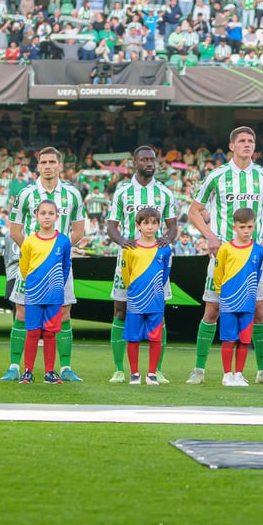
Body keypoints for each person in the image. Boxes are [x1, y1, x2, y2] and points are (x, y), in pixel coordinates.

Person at [187, 127, 263, 386]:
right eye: (241, 141)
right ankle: (199, 368)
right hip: (224, 257)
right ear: (231, 146)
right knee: (212, 310)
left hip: (253, 259)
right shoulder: (217, 176)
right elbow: (194, 210)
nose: (247, 144)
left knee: (259, 311)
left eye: (251, 140)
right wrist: (210, 236)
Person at [3, 147, 85, 382]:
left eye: (52, 162)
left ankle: (66, 368)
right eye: (43, 162)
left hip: (59, 267)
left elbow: (79, 229)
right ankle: (14, 367)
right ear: (37, 166)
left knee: (64, 314)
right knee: (21, 314)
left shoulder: (72, 195)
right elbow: (15, 230)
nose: (47, 166)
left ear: (60, 165)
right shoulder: (25, 194)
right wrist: (35, 250)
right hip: (31, 266)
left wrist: (58, 250)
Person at [107, 146, 178, 384]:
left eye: (152, 160)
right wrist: (123, 242)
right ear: (134, 162)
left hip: (155, 262)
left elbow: (172, 225)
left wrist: (167, 239)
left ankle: (155, 370)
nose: (149, 163)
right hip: (129, 260)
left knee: (158, 313)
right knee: (121, 310)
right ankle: (119, 369)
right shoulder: (122, 192)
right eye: (144, 160)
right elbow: (111, 226)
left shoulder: (165, 193)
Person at [19, 200, 73, 385]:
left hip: (54, 295)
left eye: (51, 213)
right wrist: (36, 284)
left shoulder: (64, 241)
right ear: (36, 216)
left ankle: (49, 372)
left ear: (57, 216)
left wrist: (55, 285)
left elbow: (66, 267)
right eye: (43, 213)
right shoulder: (30, 241)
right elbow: (24, 267)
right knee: (32, 332)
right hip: (33, 293)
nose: (47, 216)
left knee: (50, 333)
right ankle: (28, 371)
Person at [120, 208, 174, 385]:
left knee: (155, 337)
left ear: (159, 225)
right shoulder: (131, 248)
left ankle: (151, 373)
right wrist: (135, 290)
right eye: (146, 223)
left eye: (154, 223)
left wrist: (155, 289)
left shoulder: (164, 249)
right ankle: (134, 373)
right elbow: (126, 273)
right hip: (135, 299)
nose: (150, 227)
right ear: (138, 225)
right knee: (133, 337)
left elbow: (165, 272)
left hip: (156, 299)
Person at [213, 208, 263, 387]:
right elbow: (218, 274)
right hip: (229, 301)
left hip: (248, 301)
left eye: (249, 227)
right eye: (242, 227)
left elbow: (257, 273)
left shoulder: (258, 250)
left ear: (254, 226)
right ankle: (227, 374)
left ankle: (239, 374)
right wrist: (223, 293)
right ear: (234, 226)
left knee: (244, 340)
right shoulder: (225, 249)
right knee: (229, 338)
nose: (246, 230)